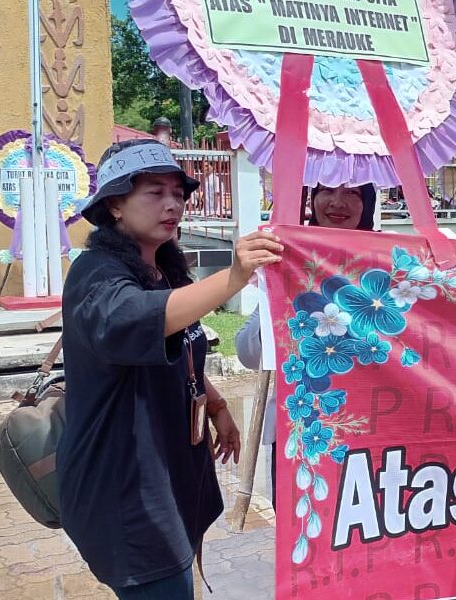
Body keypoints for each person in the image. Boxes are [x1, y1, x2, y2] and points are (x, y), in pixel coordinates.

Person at [59, 139, 282, 599]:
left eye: (178, 193)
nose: (172, 204)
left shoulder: (162, 266)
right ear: (115, 206)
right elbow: (144, 316)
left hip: (169, 469)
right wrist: (234, 277)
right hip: (125, 485)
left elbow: (183, 345)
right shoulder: (95, 274)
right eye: (155, 192)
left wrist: (215, 402)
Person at [237, 182, 379, 507]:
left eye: (354, 193)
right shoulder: (286, 260)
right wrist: (278, 295)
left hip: (371, 431)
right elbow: (248, 353)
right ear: (311, 198)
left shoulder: (384, 264)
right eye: (327, 189)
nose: (338, 202)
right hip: (299, 433)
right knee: (301, 531)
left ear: (368, 202)